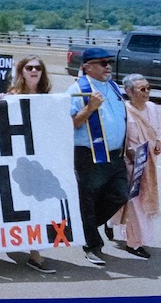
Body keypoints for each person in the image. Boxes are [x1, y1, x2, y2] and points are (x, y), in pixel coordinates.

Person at [65, 47, 128, 266]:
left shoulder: (112, 86)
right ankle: (91, 245)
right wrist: (90, 108)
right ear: (87, 67)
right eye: (102, 63)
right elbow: (69, 124)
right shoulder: (76, 90)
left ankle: (83, 227)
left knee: (120, 195)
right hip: (89, 154)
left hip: (115, 155)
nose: (108, 66)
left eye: (108, 62)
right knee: (88, 200)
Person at [7, 55, 55, 274]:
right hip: (19, 160)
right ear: (21, 71)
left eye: (38, 67)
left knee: (38, 205)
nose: (34, 70)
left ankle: (35, 253)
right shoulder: (13, 95)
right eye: (29, 67)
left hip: (42, 160)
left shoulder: (49, 97)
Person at [107, 73, 161, 259]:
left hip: (149, 164)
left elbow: (158, 129)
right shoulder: (123, 111)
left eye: (148, 88)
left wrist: (159, 140)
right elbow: (117, 136)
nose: (146, 92)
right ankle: (134, 243)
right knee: (134, 203)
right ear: (129, 92)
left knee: (140, 200)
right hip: (130, 165)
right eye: (142, 89)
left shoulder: (153, 109)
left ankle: (110, 221)